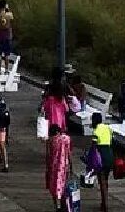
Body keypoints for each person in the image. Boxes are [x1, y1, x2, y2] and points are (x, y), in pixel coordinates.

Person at [41, 80, 72, 211]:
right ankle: (64, 203)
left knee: (54, 183)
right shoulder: (62, 100)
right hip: (61, 130)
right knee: (63, 181)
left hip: (52, 131)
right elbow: (67, 110)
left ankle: (57, 205)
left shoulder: (49, 101)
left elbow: (42, 110)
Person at [90, 111, 114, 212]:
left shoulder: (96, 131)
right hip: (109, 154)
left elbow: (93, 146)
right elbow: (111, 141)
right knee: (106, 180)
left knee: (102, 181)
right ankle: (104, 202)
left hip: (101, 157)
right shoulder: (108, 128)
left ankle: (105, 204)